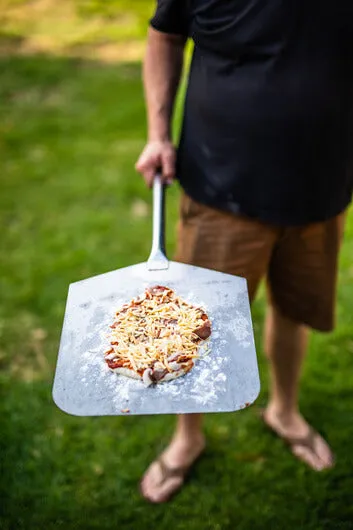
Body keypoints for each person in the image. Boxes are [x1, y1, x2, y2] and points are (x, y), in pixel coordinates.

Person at [135, 0, 353, 503]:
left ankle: (284, 410)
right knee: (193, 323)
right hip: (222, 186)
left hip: (322, 187)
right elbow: (165, 35)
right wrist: (157, 134)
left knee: (294, 311)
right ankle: (187, 437)